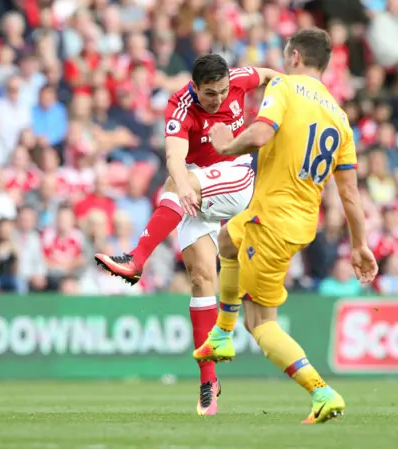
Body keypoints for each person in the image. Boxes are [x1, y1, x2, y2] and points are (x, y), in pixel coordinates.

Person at [193, 28, 378, 424]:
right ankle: (222, 334)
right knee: (227, 240)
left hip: (272, 220)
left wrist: (225, 144)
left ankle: (321, 392)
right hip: (292, 219)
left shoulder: (285, 86)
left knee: (261, 324)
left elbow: (261, 134)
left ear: (293, 56)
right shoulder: (340, 118)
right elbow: (349, 195)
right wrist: (360, 245)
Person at [95, 54, 280, 415]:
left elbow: (273, 76)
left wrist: (292, 100)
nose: (218, 99)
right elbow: (175, 159)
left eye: (223, 92)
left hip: (236, 176)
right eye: (210, 93)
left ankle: (136, 259)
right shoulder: (179, 107)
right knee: (200, 279)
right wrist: (183, 187)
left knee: (180, 185)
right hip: (197, 188)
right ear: (194, 87)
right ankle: (208, 381)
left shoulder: (240, 79)